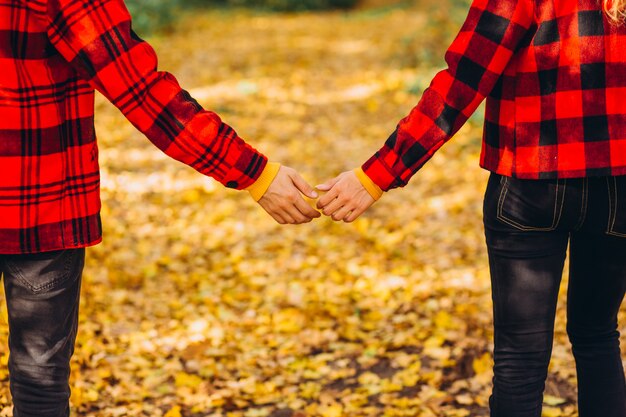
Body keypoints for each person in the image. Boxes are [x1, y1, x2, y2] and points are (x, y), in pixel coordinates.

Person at [0, 0, 321, 415]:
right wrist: (254, 173)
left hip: (39, 208)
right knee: (39, 380)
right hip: (37, 204)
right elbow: (141, 90)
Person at [317, 0, 626, 415]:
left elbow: (463, 79)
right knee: (598, 334)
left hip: (530, 185)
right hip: (620, 191)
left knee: (520, 359)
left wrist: (377, 174)